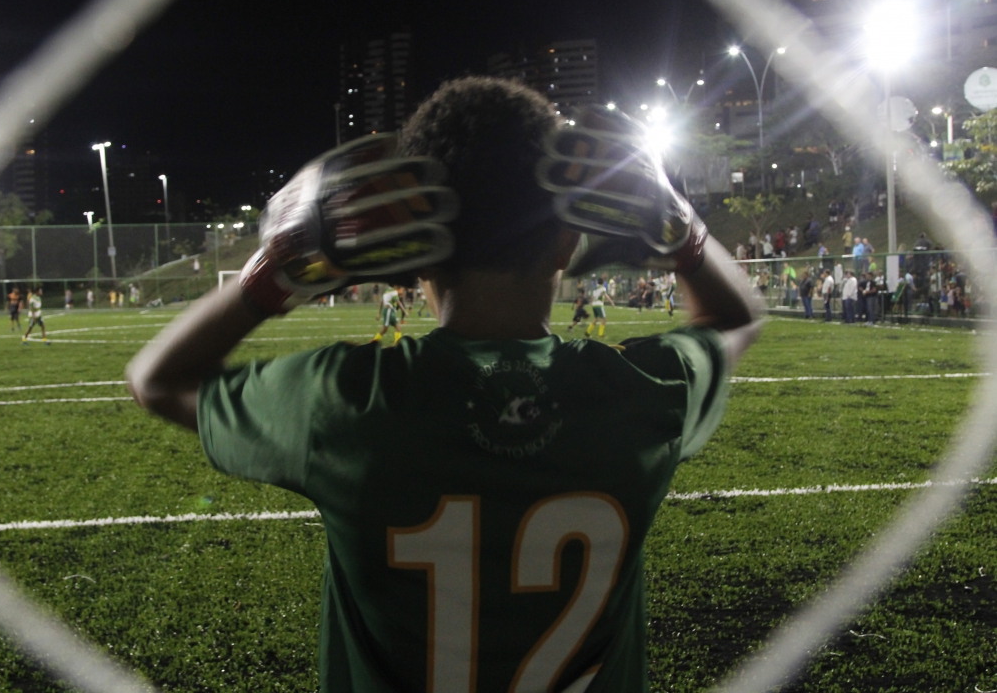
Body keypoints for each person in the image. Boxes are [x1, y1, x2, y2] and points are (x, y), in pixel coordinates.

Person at [126, 77, 762, 693]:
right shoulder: (642, 391)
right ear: (566, 242)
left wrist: (277, 272)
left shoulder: (346, 399)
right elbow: (737, 317)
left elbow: (156, 380)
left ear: (415, 251)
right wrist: (680, 229)